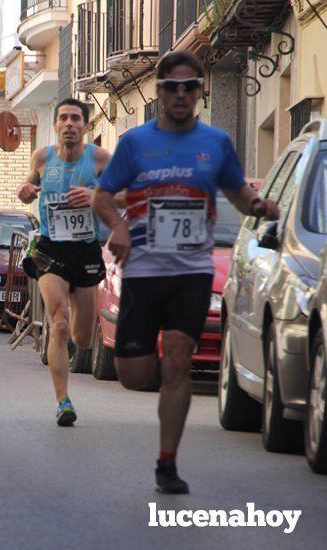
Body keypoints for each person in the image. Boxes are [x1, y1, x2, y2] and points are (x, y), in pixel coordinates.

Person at [92, 51, 280, 494]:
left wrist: (257, 206)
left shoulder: (215, 143)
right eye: (172, 87)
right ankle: (149, 355)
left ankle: (167, 463)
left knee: (178, 362)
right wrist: (118, 227)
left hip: (192, 272)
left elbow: (235, 192)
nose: (180, 95)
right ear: (159, 92)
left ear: (200, 91)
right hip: (142, 272)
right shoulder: (136, 143)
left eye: (189, 86)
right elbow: (102, 197)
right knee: (135, 375)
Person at [15, 98, 113, 427]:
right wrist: (26, 192)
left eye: (75, 119)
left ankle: (68, 344)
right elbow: (28, 188)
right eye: (63, 118)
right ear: (55, 125)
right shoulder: (43, 157)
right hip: (50, 248)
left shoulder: (100, 159)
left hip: (85, 251)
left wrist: (95, 196)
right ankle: (63, 401)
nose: (69, 124)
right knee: (58, 322)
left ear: (86, 126)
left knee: (82, 338)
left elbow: (127, 196)